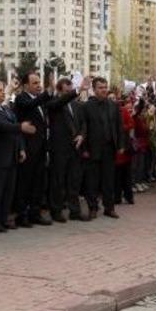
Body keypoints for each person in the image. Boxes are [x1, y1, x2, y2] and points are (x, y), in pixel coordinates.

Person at [0, 80, 34, 231]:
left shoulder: (6, 109)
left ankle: (3, 218)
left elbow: (16, 131)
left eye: (2, 90)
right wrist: (20, 127)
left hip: (12, 155)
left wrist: (21, 148)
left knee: (8, 191)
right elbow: (1, 126)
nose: (2, 93)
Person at [81, 77, 126, 219]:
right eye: (100, 88)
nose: (104, 90)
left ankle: (109, 208)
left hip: (109, 148)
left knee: (108, 180)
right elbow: (83, 129)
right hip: (92, 148)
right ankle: (93, 207)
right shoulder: (86, 106)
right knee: (92, 181)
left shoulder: (113, 105)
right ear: (94, 89)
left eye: (105, 87)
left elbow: (119, 126)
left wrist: (121, 145)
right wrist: (84, 149)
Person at [47, 76, 89, 222]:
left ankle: (75, 211)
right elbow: (60, 101)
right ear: (59, 91)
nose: (70, 94)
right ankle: (56, 211)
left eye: (71, 90)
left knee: (74, 181)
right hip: (59, 148)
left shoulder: (77, 106)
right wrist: (78, 90)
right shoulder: (54, 104)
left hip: (75, 148)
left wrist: (81, 135)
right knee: (58, 181)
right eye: (67, 91)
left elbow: (83, 124)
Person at [13, 72, 53, 227]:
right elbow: (31, 105)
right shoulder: (21, 98)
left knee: (38, 182)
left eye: (39, 82)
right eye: (35, 83)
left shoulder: (40, 101)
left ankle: (35, 213)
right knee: (25, 183)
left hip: (41, 148)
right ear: (25, 85)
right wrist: (48, 92)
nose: (38, 85)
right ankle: (22, 215)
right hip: (28, 149)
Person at [114, 98, 135, 206]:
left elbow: (131, 123)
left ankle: (129, 197)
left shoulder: (123, 111)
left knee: (127, 175)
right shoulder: (108, 112)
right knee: (116, 176)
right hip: (114, 149)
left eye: (114, 98)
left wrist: (122, 128)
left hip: (125, 147)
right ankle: (117, 197)